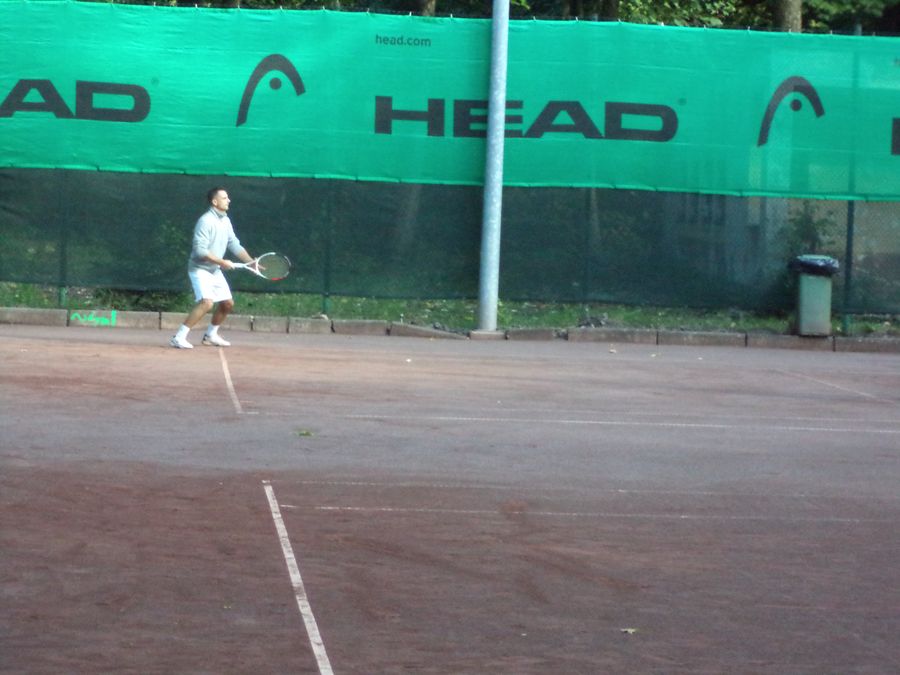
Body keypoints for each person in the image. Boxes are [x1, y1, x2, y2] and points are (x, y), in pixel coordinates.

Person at [169, 188, 255, 349]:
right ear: (215, 202)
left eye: (228, 197)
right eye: (224, 198)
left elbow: (233, 243)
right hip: (199, 269)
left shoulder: (225, 220)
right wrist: (222, 262)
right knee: (207, 303)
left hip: (214, 270)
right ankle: (178, 337)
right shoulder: (206, 221)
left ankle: (210, 335)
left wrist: (250, 262)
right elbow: (200, 251)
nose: (228, 200)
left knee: (227, 303)